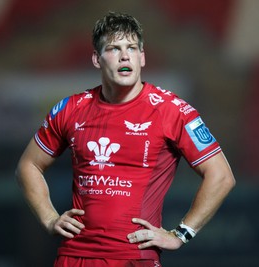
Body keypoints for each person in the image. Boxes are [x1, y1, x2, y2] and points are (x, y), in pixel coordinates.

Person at [15, 11, 235, 267]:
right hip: (74, 257)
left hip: (134, 257)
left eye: (132, 48)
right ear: (97, 59)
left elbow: (221, 175)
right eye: (113, 48)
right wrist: (49, 218)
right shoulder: (70, 109)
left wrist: (181, 234)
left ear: (142, 57)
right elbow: (28, 166)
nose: (124, 56)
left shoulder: (171, 110)